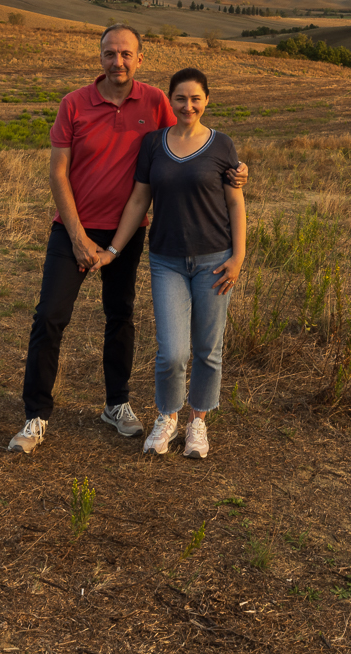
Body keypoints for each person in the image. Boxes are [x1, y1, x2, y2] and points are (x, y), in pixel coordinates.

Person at [8, 27, 244, 454]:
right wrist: (79, 238)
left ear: (140, 58)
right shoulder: (74, 105)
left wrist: (235, 170)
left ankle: (116, 405)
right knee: (50, 318)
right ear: (99, 57)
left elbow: (191, 142)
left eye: (126, 54)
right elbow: (58, 173)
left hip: (127, 233)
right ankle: (36, 416)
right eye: (109, 54)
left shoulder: (155, 102)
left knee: (120, 317)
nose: (117, 61)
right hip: (73, 230)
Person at [102, 67, 245, 460]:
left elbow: (236, 202)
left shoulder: (221, 146)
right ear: (170, 101)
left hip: (214, 260)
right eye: (180, 98)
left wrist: (238, 257)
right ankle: (167, 416)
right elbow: (137, 201)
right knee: (172, 352)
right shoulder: (153, 144)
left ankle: (197, 421)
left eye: (195, 98)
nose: (188, 106)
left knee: (207, 349)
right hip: (166, 259)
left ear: (207, 101)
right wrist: (113, 249)